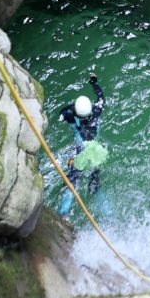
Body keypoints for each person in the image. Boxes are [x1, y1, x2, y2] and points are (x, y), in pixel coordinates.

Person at [57, 72, 109, 216]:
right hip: (95, 151)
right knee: (95, 185)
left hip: (80, 151)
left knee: (72, 183)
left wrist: (72, 106)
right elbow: (101, 97)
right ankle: (108, 214)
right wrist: (94, 82)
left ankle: (64, 214)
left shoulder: (70, 117)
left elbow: (61, 115)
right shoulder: (98, 110)